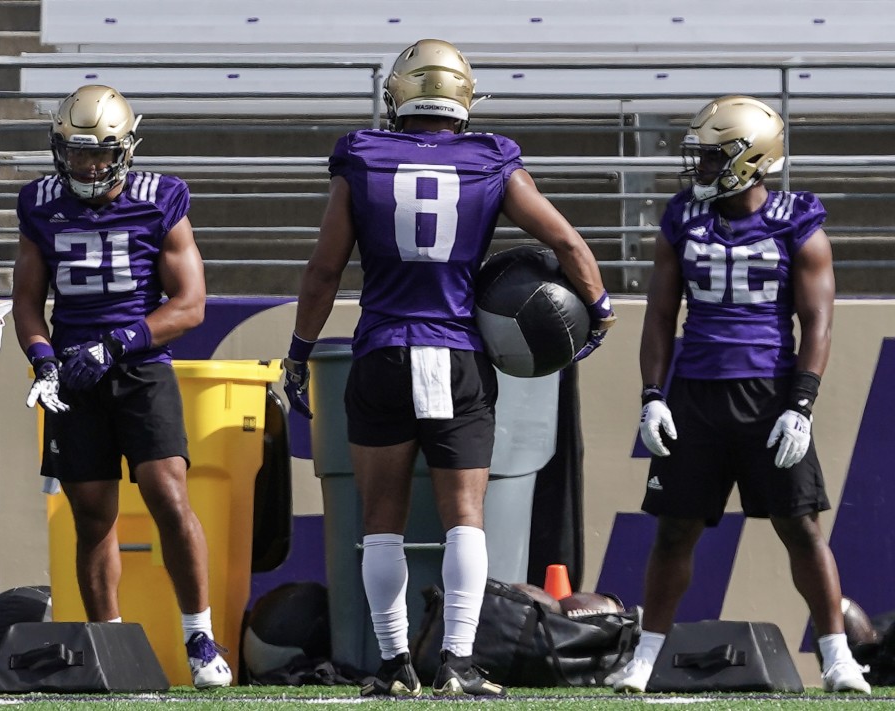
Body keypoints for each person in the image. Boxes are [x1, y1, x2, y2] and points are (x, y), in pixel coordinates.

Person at [281, 38, 615, 698]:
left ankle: (392, 665)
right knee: (465, 516)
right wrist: (598, 307)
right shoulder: (492, 159)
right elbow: (566, 240)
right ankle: (458, 661)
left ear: (400, 94)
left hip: (383, 350)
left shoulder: (363, 156)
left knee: (381, 519)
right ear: (462, 96)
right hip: (457, 355)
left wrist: (298, 350)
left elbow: (324, 269)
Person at [607, 94, 870, 695]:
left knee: (800, 528)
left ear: (750, 160)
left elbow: (818, 321)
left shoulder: (796, 219)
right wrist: (653, 395)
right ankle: (645, 659)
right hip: (696, 394)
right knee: (674, 530)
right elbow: (658, 317)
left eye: (711, 157)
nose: (698, 168)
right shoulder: (682, 218)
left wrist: (801, 404)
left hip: (770, 393)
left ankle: (836, 657)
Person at [12, 84, 232, 689]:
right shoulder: (39, 203)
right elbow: (27, 301)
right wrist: (42, 358)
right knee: (91, 514)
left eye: (101, 153)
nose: (89, 165)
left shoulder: (161, 198)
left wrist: (116, 343)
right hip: (74, 376)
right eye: (78, 152)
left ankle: (198, 633)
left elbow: (190, 306)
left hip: (138, 367)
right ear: (59, 148)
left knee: (168, 493)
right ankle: (109, 639)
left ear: (125, 149)